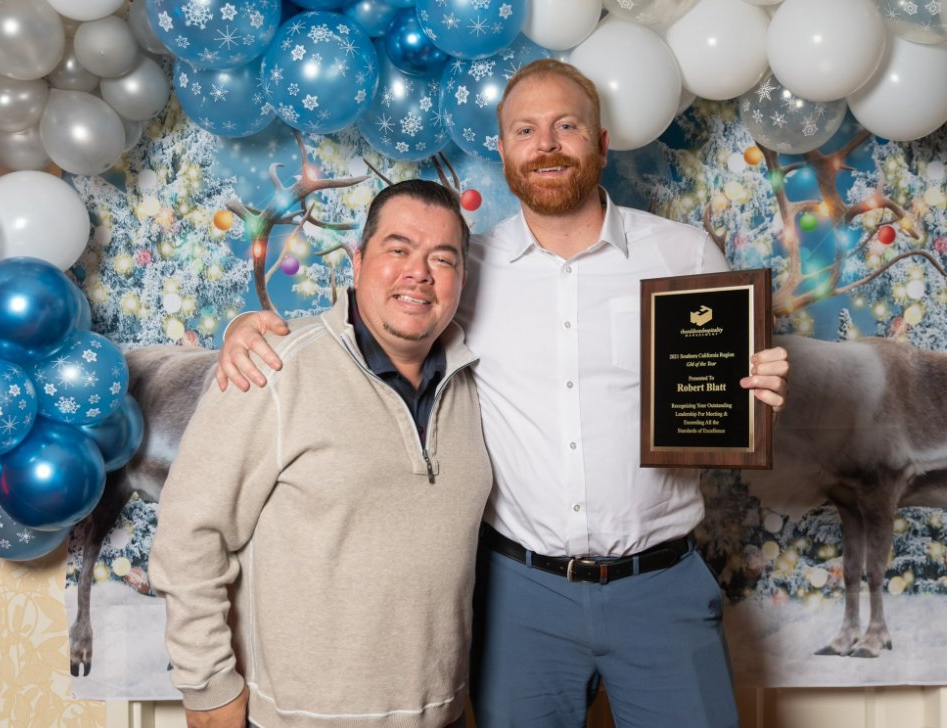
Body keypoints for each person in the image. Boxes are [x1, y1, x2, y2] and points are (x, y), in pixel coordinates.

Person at [216, 60, 790, 728]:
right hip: (519, 598)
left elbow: (729, 396)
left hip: (660, 586)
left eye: (566, 126)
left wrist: (762, 393)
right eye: (525, 130)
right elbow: (370, 324)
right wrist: (246, 327)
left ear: (601, 144)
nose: (545, 144)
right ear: (503, 149)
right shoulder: (464, 269)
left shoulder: (683, 255)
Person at [149, 180, 492, 728]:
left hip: (440, 713)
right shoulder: (273, 369)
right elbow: (190, 533)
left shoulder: (474, 384)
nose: (419, 273)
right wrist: (208, 687)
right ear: (357, 262)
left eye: (442, 259)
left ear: (461, 282)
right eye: (398, 249)